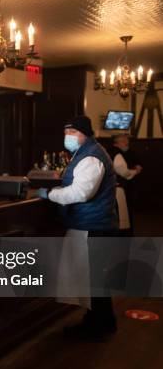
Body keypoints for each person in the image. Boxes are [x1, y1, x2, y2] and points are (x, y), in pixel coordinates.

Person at [36, 115, 118, 338]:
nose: (68, 137)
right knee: (92, 279)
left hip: (93, 226)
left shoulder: (91, 157)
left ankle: (99, 327)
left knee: (94, 281)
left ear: (85, 133)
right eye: (66, 133)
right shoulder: (87, 152)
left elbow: (81, 193)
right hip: (91, 224)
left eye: (73, 132)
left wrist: (50, 194)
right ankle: (99, 322)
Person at [110, 134, 142, 235]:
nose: (127, 144)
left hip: (112, 188)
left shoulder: (107, 151)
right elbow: (124, 173)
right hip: (120, 188)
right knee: (124, 214)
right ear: (120, 142)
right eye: (125, 142)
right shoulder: (117, 154)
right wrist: (135, 171)